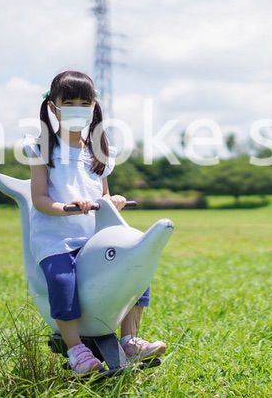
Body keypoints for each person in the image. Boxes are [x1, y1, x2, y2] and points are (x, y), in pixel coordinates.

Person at [22, 70, 166, 374]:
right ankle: (76, 350)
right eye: (69, 101)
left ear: (93, 105)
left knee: (135, 266)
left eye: (83, 101)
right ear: (53, 106)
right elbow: (39, 199)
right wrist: (67, 208)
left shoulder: (99, 149)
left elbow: (103, 194)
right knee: (63, 281)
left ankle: (129, 339)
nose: (77, 107)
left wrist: (113, 202)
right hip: (55, 237)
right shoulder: (42, 148)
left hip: (93, 236)